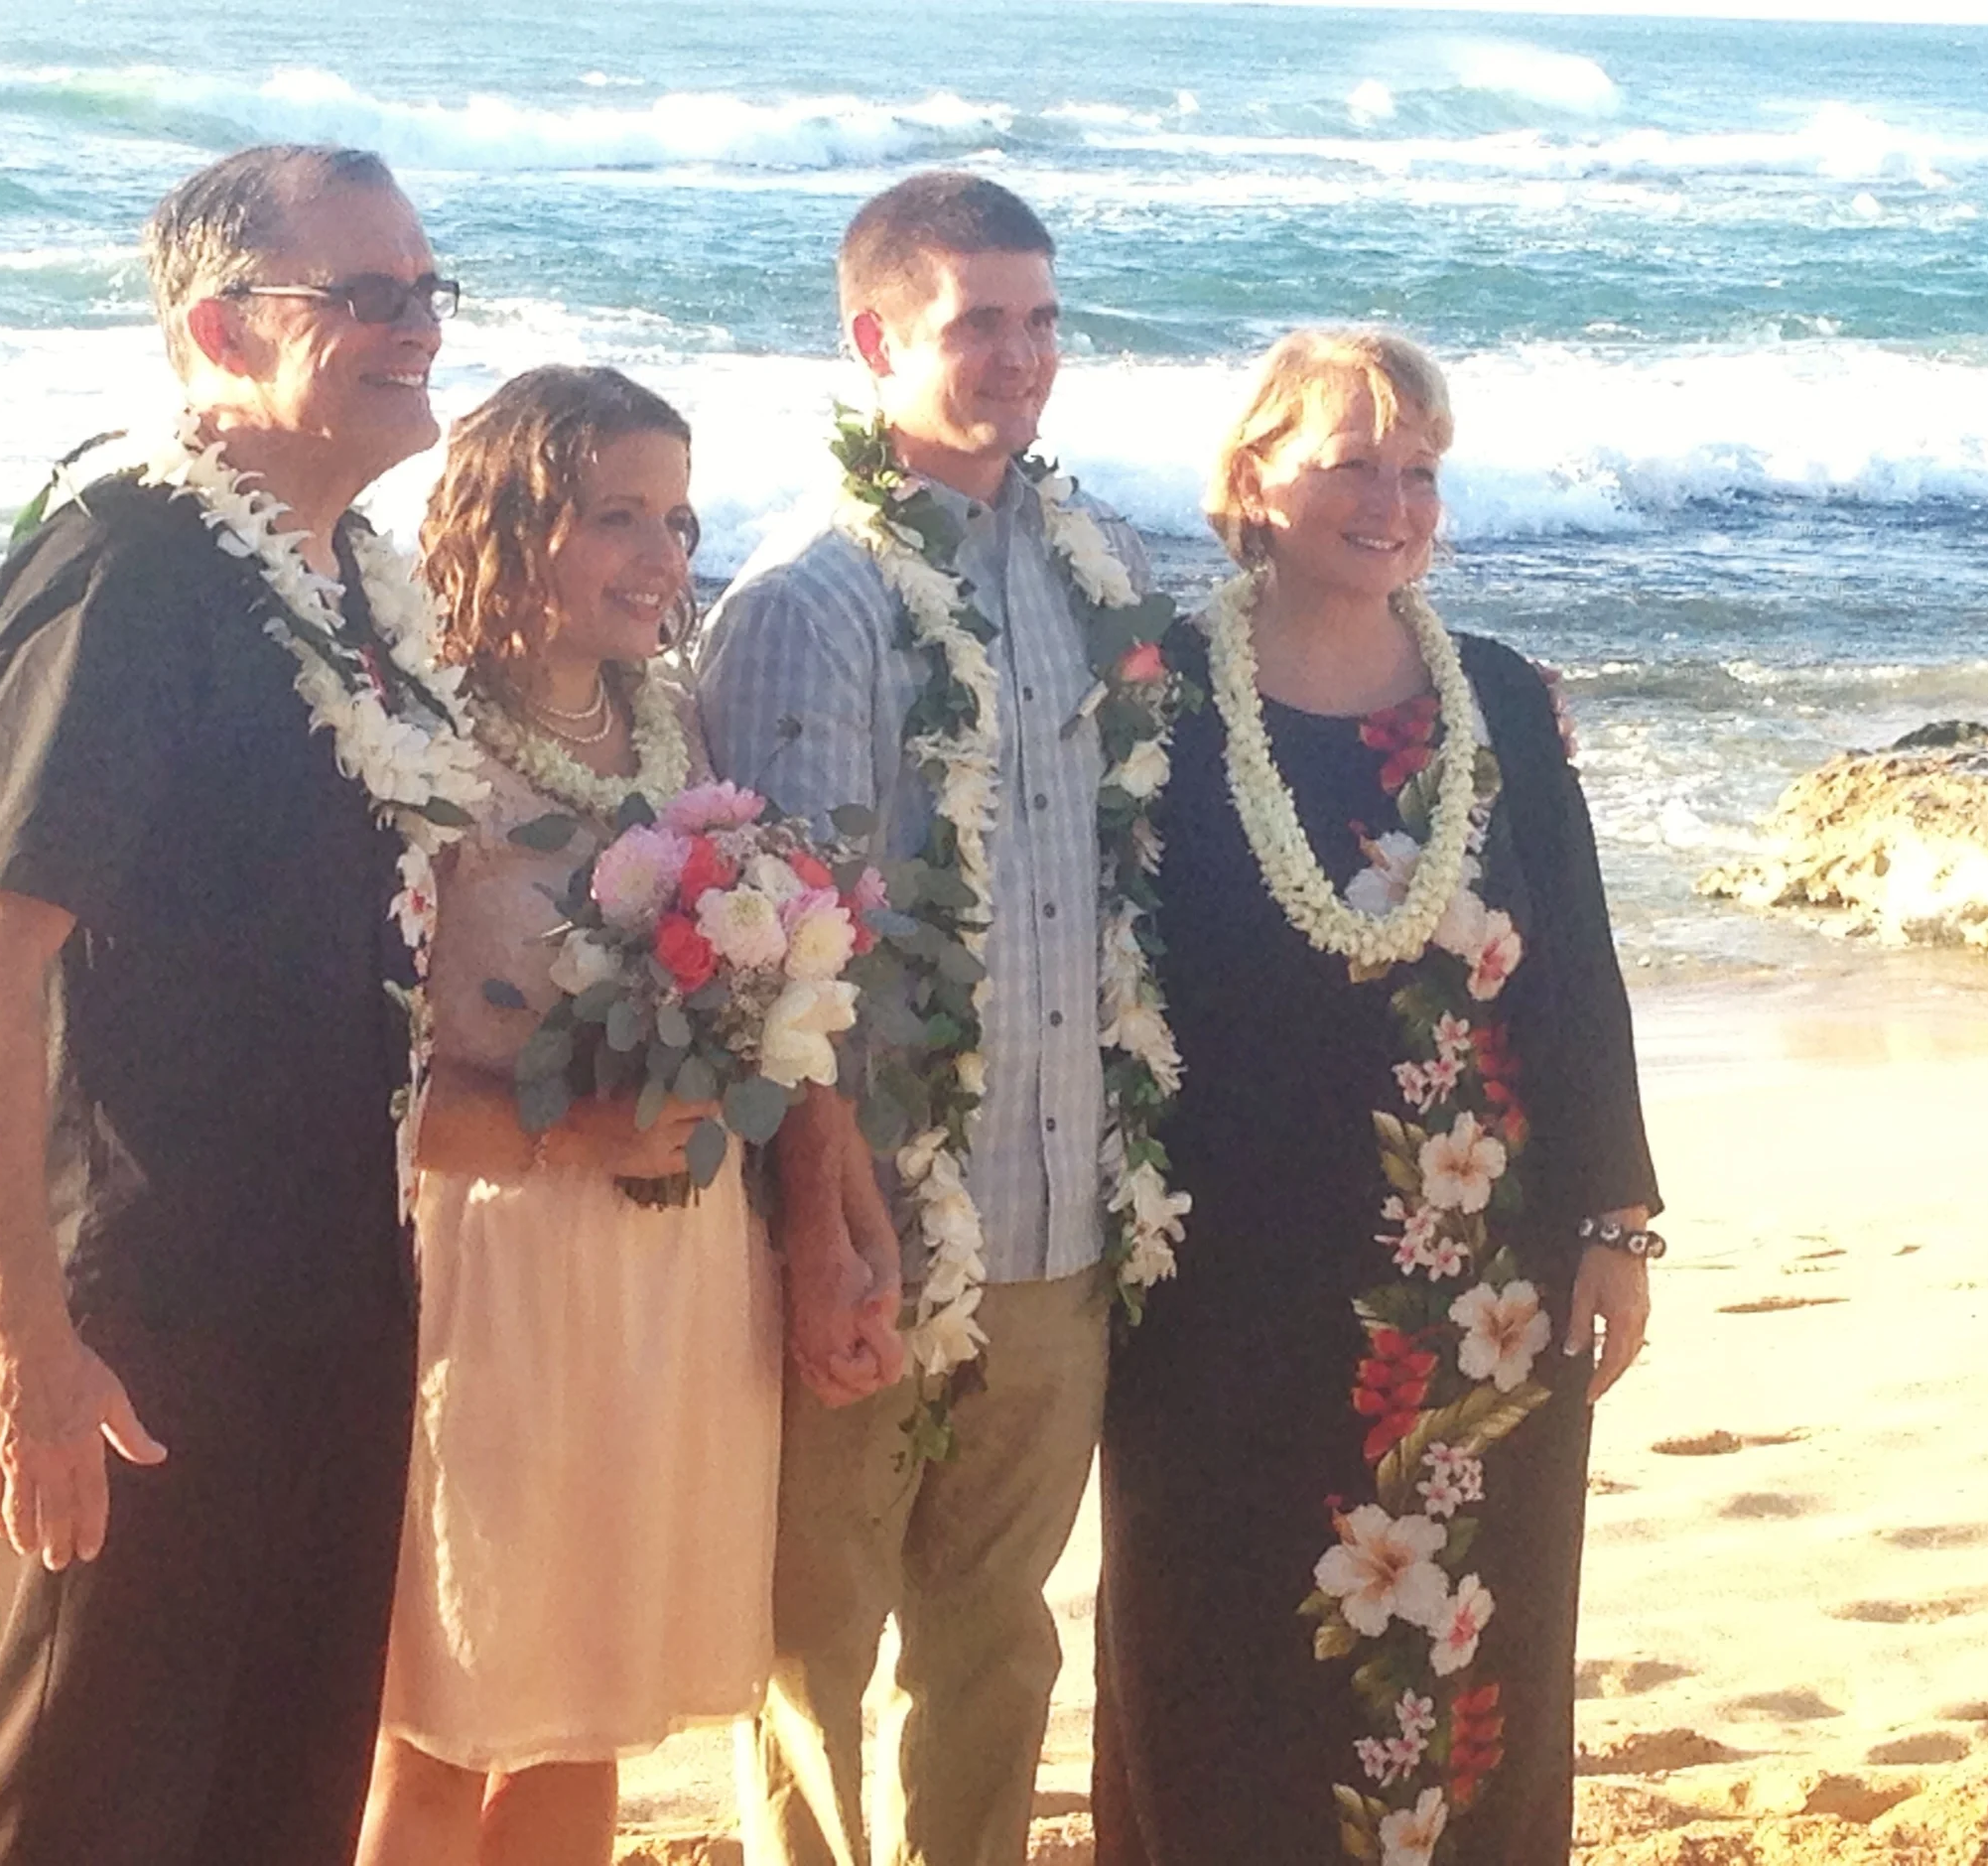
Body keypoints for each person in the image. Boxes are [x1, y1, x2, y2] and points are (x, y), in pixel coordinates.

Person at [0, 144, 472, 1866]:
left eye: (427, 292)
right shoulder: (125, 565)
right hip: (148, 1329)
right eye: (367, 297)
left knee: (277, 1801)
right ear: (223, 327)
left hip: (337, 1301)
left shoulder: (354, 586)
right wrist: (28, 1350)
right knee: (85, 1807)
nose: (418, 330)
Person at [1092, 329, 1661, 1866]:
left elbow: (1581, 976)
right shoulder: (1151, 695)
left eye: (1420, 471)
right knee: (1211, 1636)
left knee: (1480, 1648)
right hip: (1215, 1279)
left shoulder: (1499, 702)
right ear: (1254, 475)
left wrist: (1619, 1221)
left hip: (1479, 1268)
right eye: (1351, 461)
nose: (1392, 500)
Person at [697, 171, 1162, 1866]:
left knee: (999, 1632)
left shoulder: (1090, 562)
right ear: (876, 336)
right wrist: (824, 1229)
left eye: (1043, 320)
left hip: (1059, 1214)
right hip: (875, 1218)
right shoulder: (811, 596)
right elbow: (776, 971)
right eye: (980, 324)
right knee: (813, 1643)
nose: (1022, 357)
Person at [352, 365, 782, 1866]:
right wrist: (568, 1136)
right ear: (511, 519)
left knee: (593, 1706)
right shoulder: (418, 745)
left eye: (677, 515)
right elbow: (350, 1066)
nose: (666, 555)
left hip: (669, 1267)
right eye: (620, 516)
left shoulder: (671, 718)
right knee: (448, 1713)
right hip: (500, 1271)